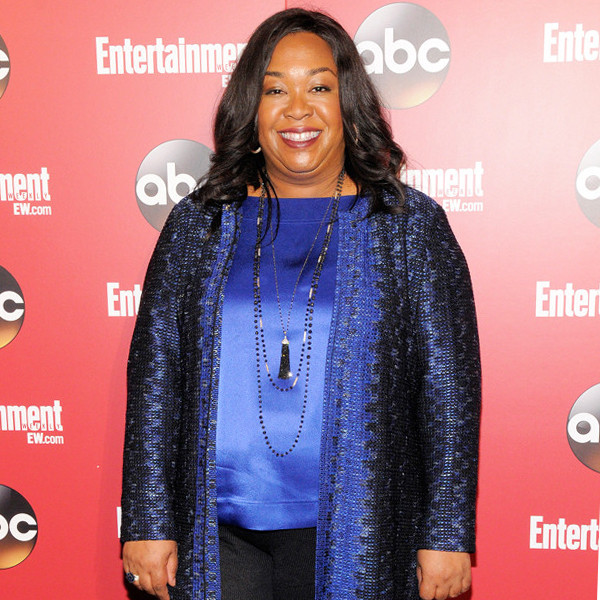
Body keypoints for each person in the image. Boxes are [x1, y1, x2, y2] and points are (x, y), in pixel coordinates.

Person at [121, 8, 480, 600]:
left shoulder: (408, 227)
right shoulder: (197, 226)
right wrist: (147, 519)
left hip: (362, 527)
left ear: (348, 106)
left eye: (318, 88)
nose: (297, 110)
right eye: (275, 90)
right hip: (217, 531)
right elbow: (156, 377)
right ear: (251, 110)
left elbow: (447, 390)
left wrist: (445, 530)